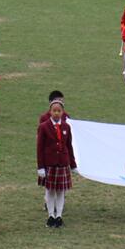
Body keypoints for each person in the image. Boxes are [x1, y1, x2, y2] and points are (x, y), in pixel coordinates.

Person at [36, 96, 75, 229]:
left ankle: (59, 216)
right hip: (49, 164)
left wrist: (73, 164)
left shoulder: (66, 127)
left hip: (62, 164)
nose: (56, 113)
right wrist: (40, 167)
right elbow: (40, 148)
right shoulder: (44, 127)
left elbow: (69, 146)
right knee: (50, 191)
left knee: (61, 192)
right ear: (50, 111)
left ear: (62, 112)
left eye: (59, 111)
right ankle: (50, 215)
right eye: (54, 110)